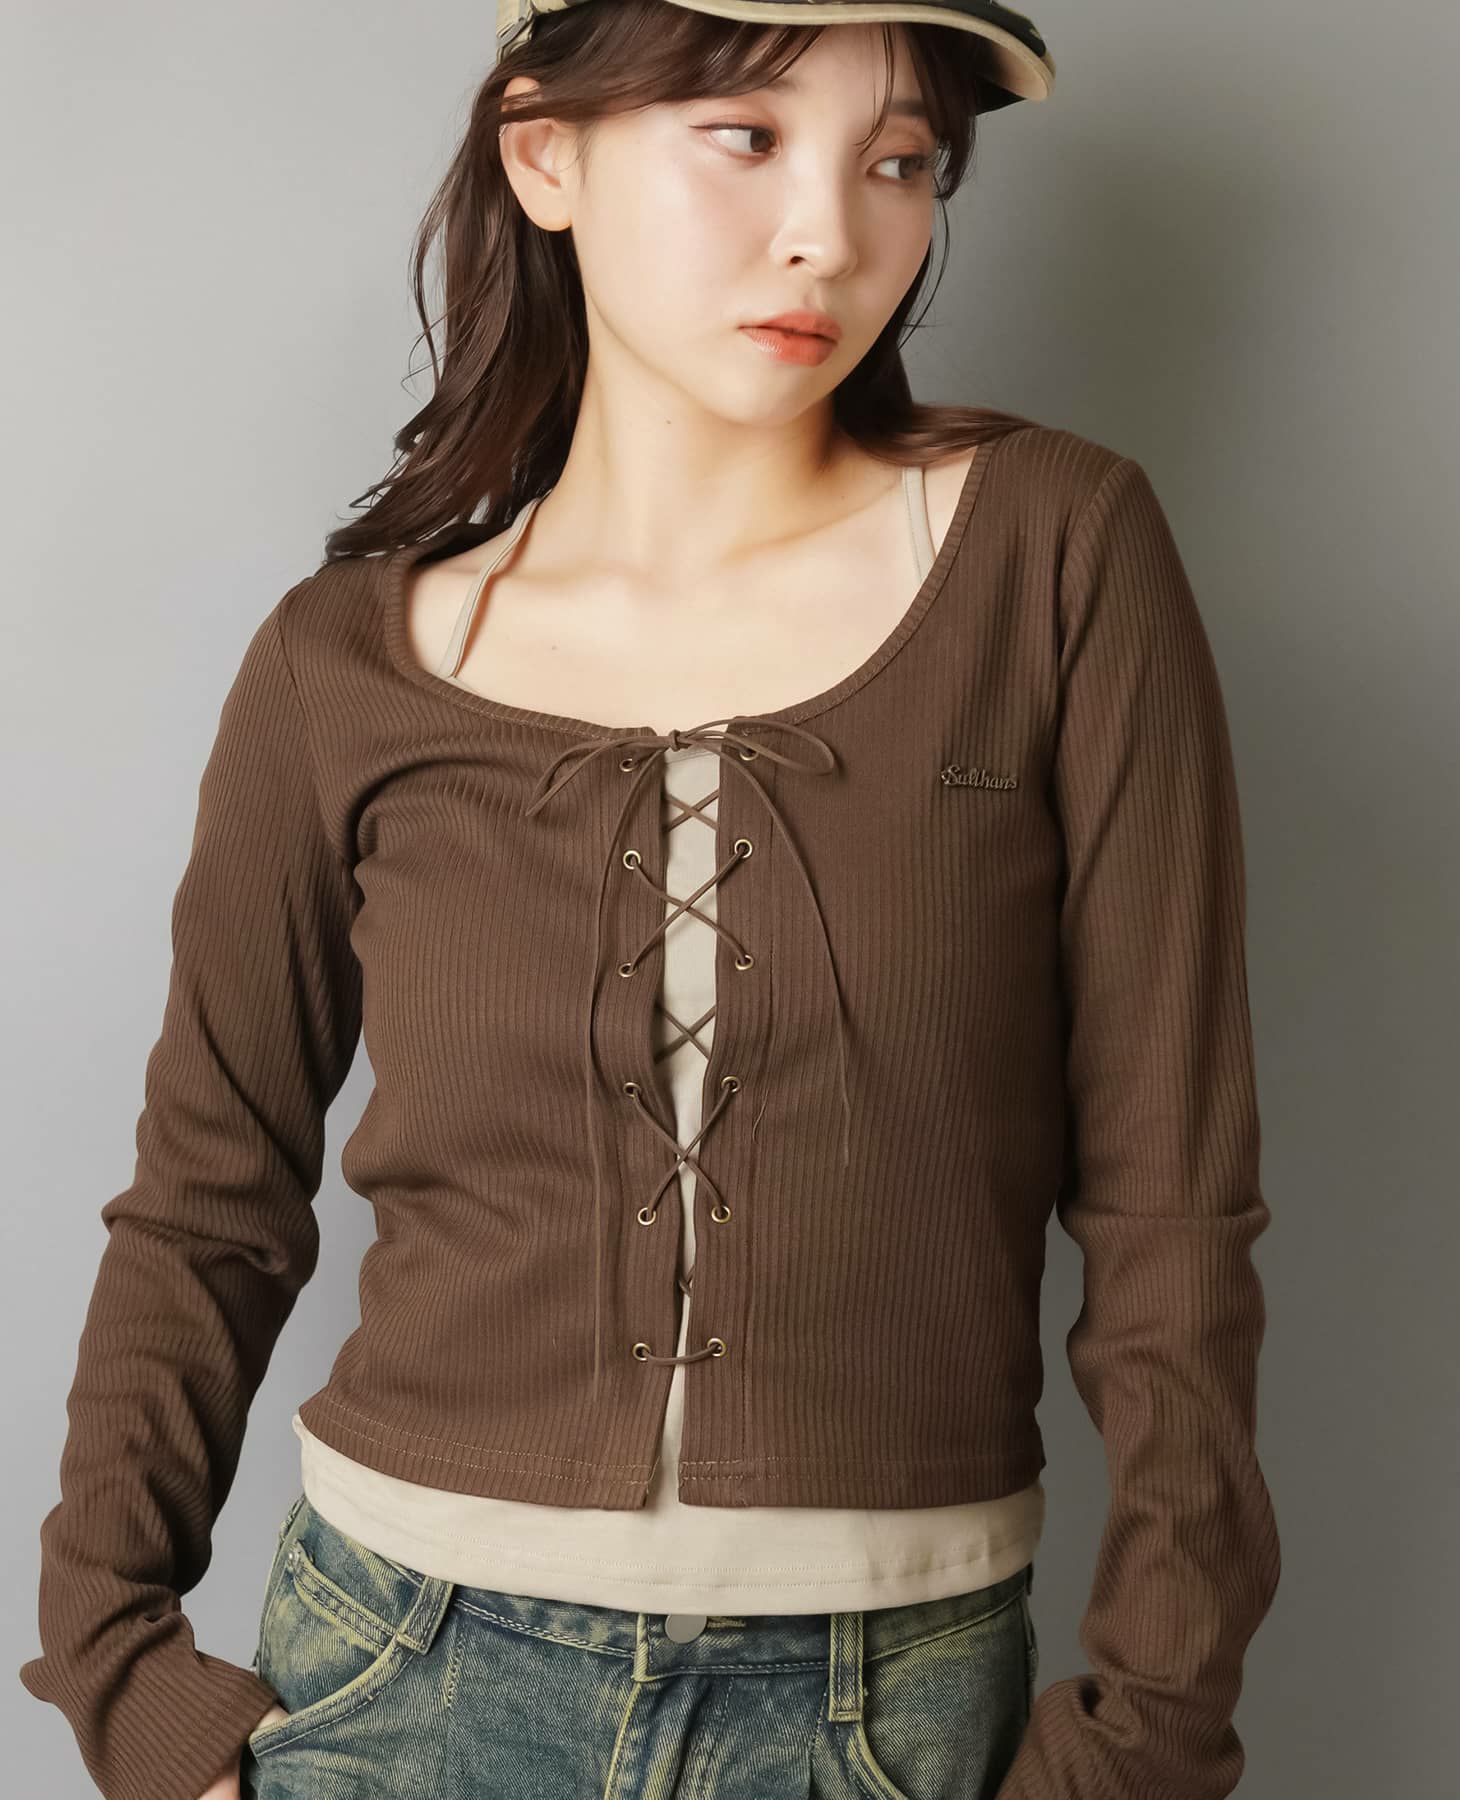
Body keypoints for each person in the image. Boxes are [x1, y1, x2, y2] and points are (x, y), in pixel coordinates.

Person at [19, 4, 1281, 1798]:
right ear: (547, 154)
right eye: (746, 137)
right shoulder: (340, 661)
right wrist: (118, 1666)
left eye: (899, 161)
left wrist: (1152, 1732)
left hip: (886, 1708)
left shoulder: (1057, 556)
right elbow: (206, 1201)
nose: (828, 232)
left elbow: (1176, 1206)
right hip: (396, 1675)